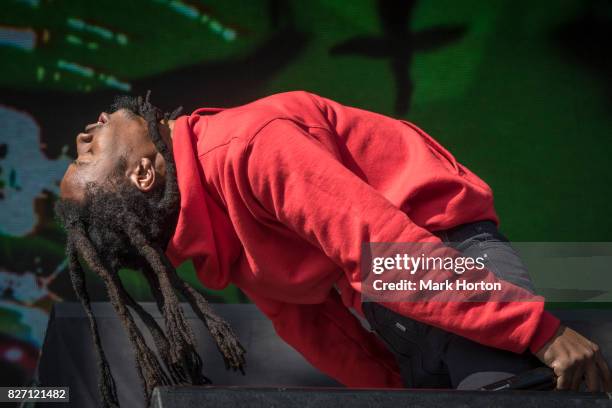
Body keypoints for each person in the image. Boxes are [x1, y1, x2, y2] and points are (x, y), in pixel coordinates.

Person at [56, 91, 611, 407]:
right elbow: (386, 260)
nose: (83, 137)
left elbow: (327, 324)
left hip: (433, 296)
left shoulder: (218, 223)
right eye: (86, 159)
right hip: (445, 269)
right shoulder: (250, 145)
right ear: (145, 175)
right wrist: (541, 332)